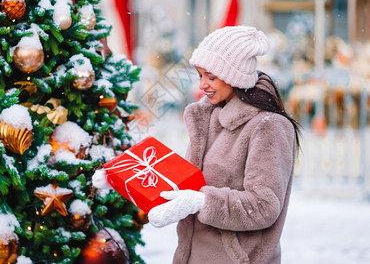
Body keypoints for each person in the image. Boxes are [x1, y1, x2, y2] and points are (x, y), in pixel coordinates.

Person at [93, 26, 301, 264]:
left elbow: (264, 206)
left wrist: (202, 201)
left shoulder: (268, 126)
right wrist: (121, 177)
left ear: (235, 76)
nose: (202, 85)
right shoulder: (208, 118)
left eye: (210, 77)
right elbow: (183, 183)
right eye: (200, 75)